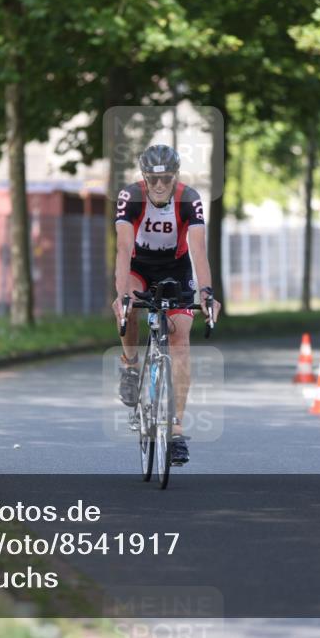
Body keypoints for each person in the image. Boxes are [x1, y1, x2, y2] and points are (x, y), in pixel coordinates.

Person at [111, 145, 221, 465]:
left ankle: (175, 429)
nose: (160, 186)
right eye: (153, 179)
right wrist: (122, 294)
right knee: (127, 306)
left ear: (176, 176)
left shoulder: (190, 199)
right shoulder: (130, 198)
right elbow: (121, 249)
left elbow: (199, 252)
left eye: (166, 179)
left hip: (176, 269)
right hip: (137, 267)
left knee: (181, 338)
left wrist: (207, 293)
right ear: (144, 178)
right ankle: (131, 367)